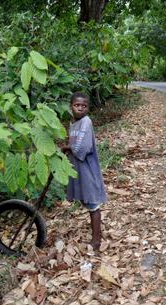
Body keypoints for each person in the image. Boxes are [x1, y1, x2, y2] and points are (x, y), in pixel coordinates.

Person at [61, 92, 107, 251]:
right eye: (77, 105)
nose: (80, 108)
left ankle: (96, 240)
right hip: (78, 169)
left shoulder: (86, 122)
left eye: (84, 106)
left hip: (87, 169)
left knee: (93, 204)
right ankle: (96, 236)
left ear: (88, 108)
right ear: (71, 106)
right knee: (87, 202)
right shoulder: (73, 123)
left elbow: (82, 148)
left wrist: (66, 148)